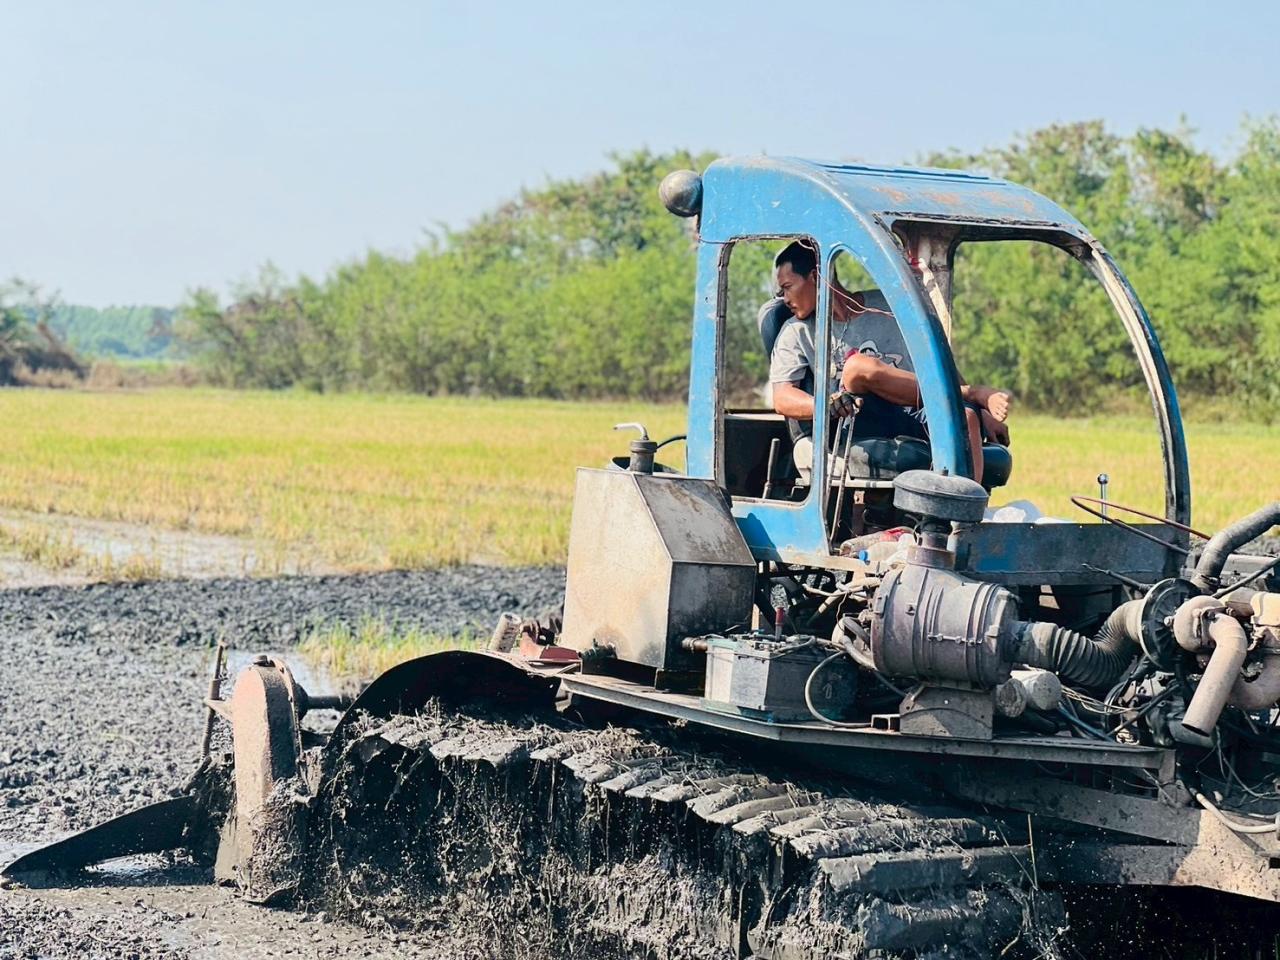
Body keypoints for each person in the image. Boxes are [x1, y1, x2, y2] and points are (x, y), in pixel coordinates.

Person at [768, 240, 1011, 484]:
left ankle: (963, 517)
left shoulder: (887, 308)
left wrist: (981, 414)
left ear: (816, 275)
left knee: (964, 418)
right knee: (856, 367)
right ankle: (967, 393)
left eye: (787, 287)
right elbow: (782, 397)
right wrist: (825, 405)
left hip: (907, 412)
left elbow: (935, 360)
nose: (784, 298)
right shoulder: (795, 332)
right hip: (855, 417)